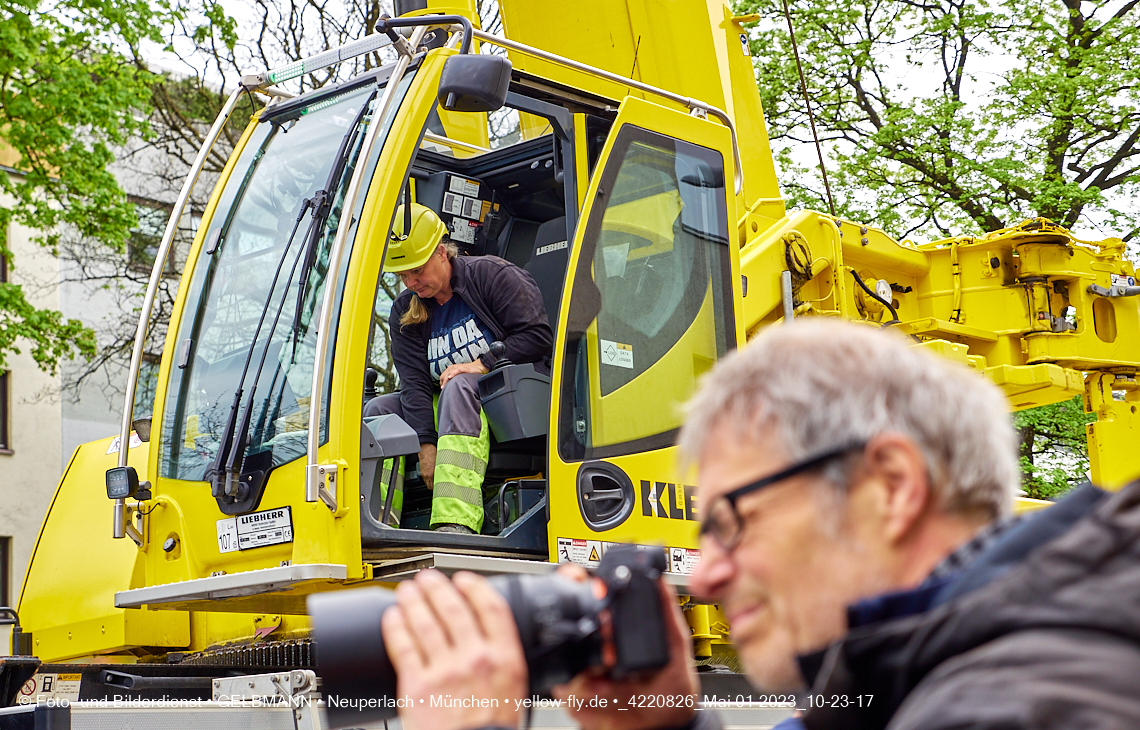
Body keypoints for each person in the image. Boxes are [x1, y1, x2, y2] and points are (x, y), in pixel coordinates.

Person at [378, 319, 1140, 730]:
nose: (703, 576)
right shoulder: (892, 691)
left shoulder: (1022, 708)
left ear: (892, 488)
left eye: (731, 522)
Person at [365, 203, 552, 534]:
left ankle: (455, 523)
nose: (410, 283)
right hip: (450, 404)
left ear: (440, 252)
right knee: (379, 410)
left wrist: (481, 365)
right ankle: (379, 524)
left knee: (459, 384)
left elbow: (538, 337)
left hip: (506, 399)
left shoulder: (491, 276)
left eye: (417, 271)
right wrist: (425, 445)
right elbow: (414, 384)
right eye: (402, 275)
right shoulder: (404, 312)